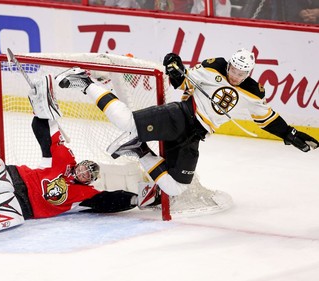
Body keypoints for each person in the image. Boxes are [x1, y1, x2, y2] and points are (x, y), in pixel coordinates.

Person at [52, 48, 318, 199]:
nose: (235, 75)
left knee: (177, 187)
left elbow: (268, 119)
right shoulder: (214, 67)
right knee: (125, 121)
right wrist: (173, 64)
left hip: (195, 135)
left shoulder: (253, 93)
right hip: (181, 115)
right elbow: (181, 81)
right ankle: (85, 83)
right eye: (234, 70)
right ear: (230, 66)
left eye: (241, 72)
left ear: (249, 72)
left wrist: (292, 135)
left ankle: (139, 150)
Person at [0, 74, 147, 240]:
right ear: (81, 163)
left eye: (87, 175)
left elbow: (108, 201)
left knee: (10, 210)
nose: (84, 172)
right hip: (17, 177)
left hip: (24, 205)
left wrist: (136, 198)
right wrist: (40, 109)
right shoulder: (65, 159)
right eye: (85, 167)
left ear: (89, 181)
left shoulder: (82, 195)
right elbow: (44, 134)